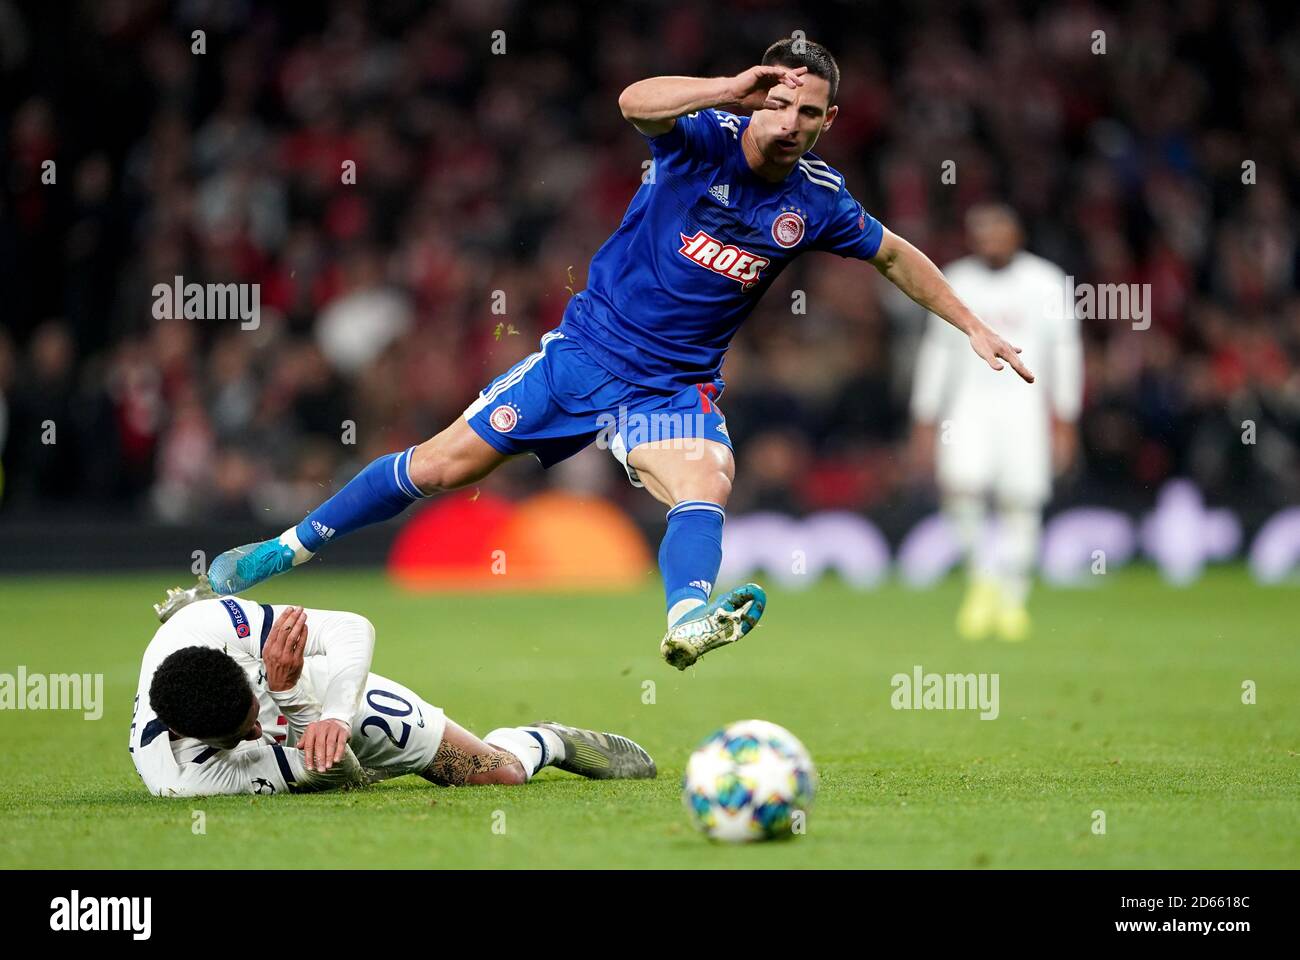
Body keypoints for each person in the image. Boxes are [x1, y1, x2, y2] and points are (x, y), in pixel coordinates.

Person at [206, 38, 1032, 670]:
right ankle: (290, 546)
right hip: (587, 352)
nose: (789, 124)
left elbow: (894, 254)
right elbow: (635, 102)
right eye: (778, 104)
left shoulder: (817, 201)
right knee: (440, 468)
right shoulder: (703, 135)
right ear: (754, 97)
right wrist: (725, 89)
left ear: (828, 122)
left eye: (808, 113)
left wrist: (971, 323)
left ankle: (685, 621)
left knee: (706, 479)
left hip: (670, 387)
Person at [129, 585, 656, 796]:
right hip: (297, 700)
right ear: (185, 734)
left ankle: (545, 739)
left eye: (252, 713)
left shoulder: (207, 628)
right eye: (243, 736)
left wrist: (334, 711)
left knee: (500, 774)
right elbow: (345, 778)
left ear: (237, 668)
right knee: (498, 783)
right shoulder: (187, 780)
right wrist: (288, 703)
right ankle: (547, 741)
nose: (257, 730)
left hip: (314, 690)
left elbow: (353, 629)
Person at [910, 203, 1082, 641]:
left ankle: (1013, 600)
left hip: (1025, 406)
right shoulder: (956, 280)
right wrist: (925, 419)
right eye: (981, 233)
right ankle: (983, 578)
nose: (989, 241)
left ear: (1017, 235)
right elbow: (936, 355)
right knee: (962, 487)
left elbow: (1066, 356)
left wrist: (1065, 418)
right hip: (967, 406)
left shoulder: (1046, 282)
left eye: (997, 232)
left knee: (1021, 500)